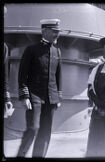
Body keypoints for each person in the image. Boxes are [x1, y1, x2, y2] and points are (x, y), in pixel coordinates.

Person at [17, 19, 62, 157]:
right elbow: (22, 75)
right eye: (54, 32)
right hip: (34, 95)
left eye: (58, 32)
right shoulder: (31, 50)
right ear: (44, 31)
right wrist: (24, 96)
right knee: (33, 128)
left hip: (51, 98)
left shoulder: (57, 51)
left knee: (45, 131)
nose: (57, 34)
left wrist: (58, 96)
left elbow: (58, 75)